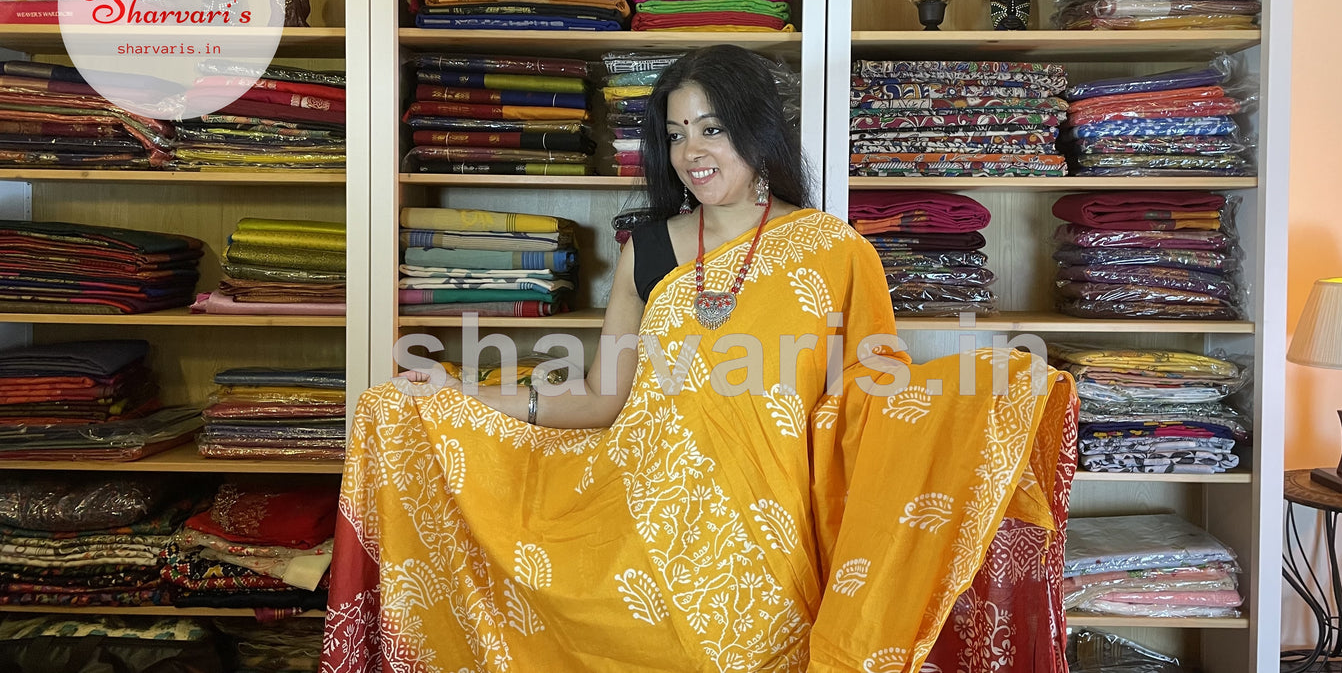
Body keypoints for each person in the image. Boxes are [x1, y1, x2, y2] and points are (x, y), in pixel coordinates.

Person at [323, 45, 1075, 673]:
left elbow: (872, 408)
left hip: (770, 552)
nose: (692, 152)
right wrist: (460, 394)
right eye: (677, 133)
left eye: (712, 128)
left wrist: (989, 393)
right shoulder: (643, 250)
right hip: (629, 533)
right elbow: (599, 399)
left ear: (757, 132)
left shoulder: (836, 252)